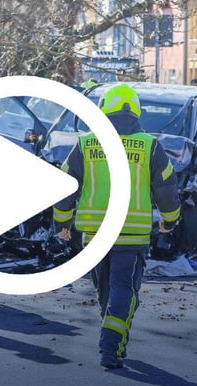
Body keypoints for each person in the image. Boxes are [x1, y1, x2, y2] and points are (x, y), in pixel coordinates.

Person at [53, 83, 181, 370]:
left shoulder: (86, 144)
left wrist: (62, 222)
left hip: (95, 235)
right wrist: (169, 220)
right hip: (132, 235)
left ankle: (111, 338)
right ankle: (111, 343)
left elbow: (65, 186)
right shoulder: (149, 145)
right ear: (135, 112)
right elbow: (167, 187)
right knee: (124, 289)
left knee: (106, 290)